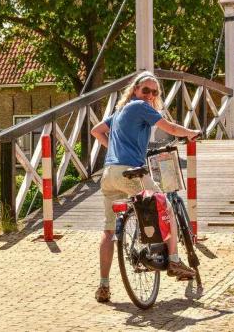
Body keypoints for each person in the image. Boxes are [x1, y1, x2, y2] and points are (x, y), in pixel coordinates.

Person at [91, 71, 201, 303]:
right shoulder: (140, 106)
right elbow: (169, 128)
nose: (150, 95)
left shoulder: (120, 111)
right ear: (135, 90)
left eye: (155, 92)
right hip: (131, 171)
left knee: (109, 231)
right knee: (165, 205)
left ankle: (103, 286)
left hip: (109, 173)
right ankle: (173, 259)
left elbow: (96, 131)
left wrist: (112, 147)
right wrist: (191, 133)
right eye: (146, 90)